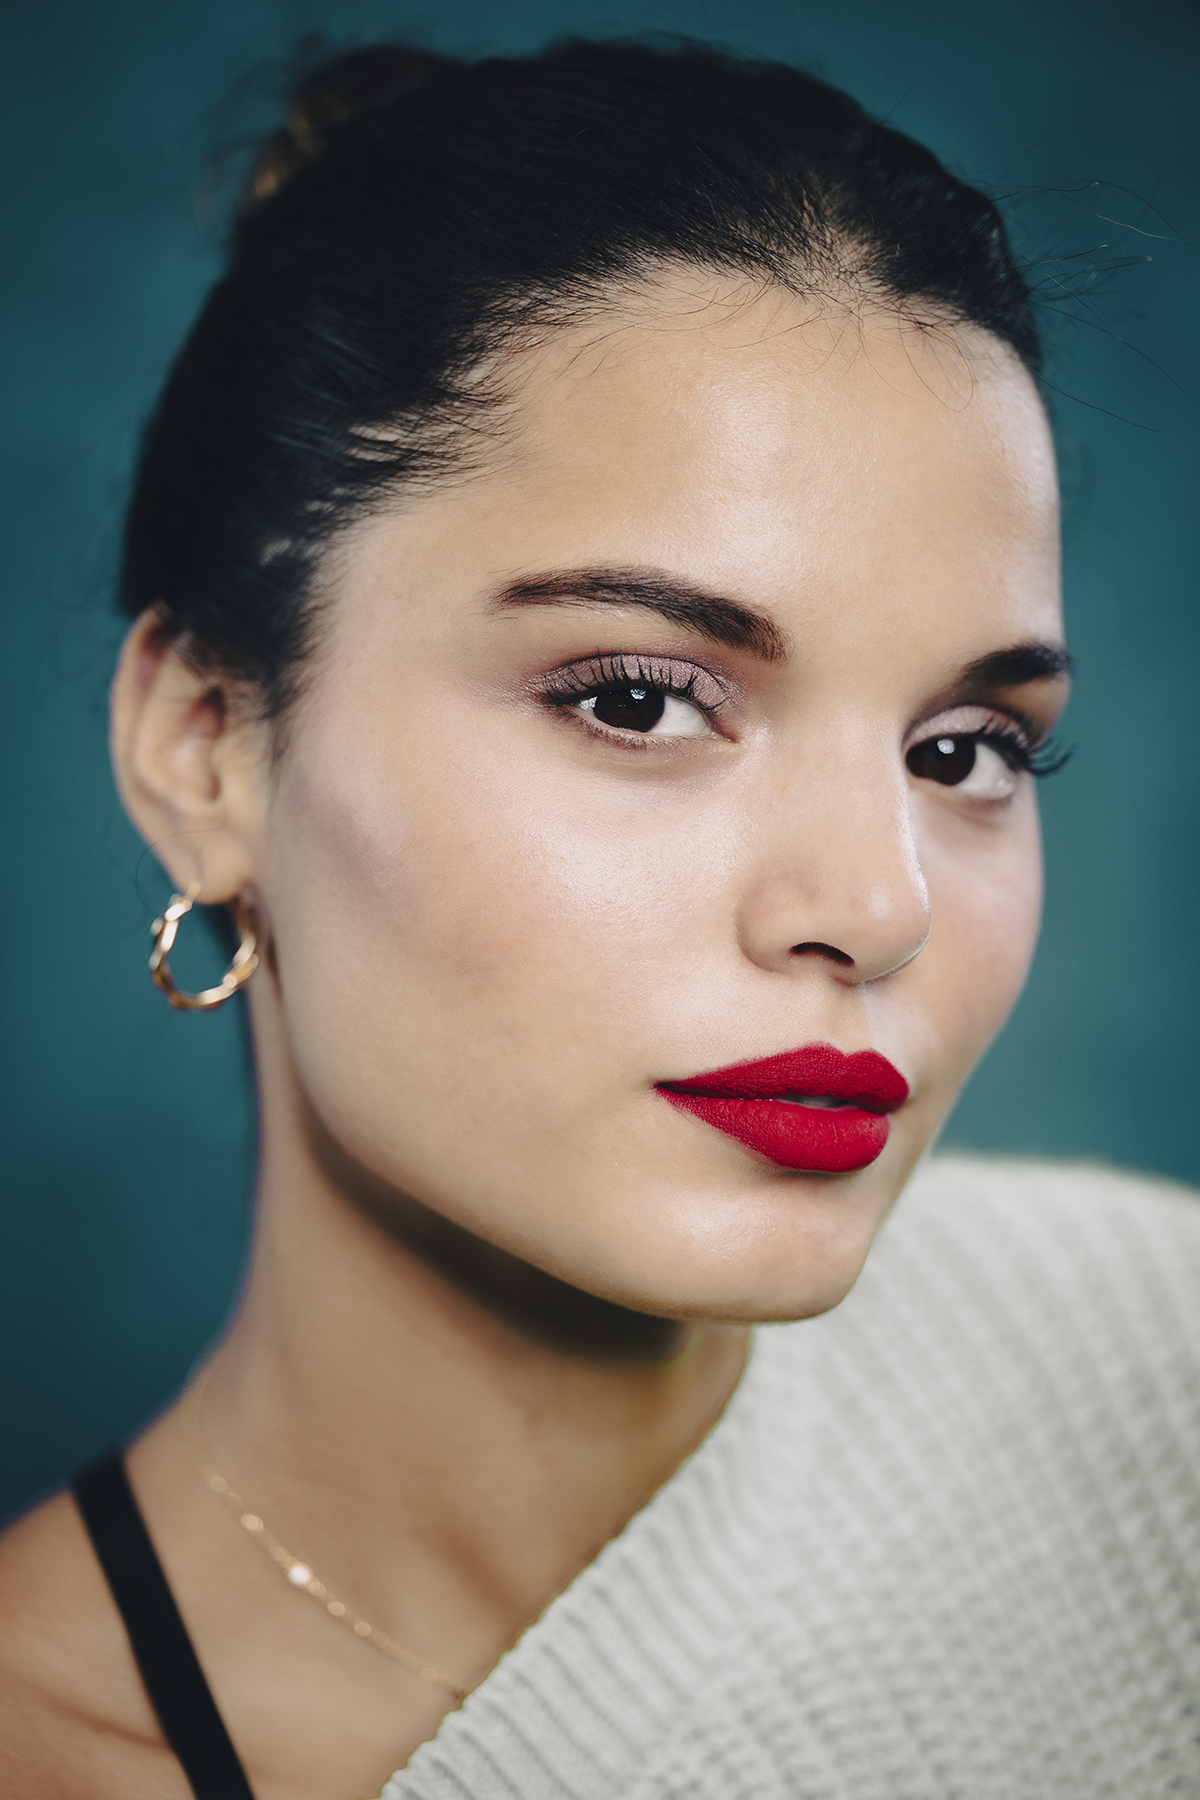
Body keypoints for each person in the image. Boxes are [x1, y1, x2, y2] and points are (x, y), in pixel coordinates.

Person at [1, 35, 1197, 1800]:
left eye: (965, 748)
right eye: (639, 701)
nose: (877, 906)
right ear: (208, 745)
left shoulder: (1161, 1380)